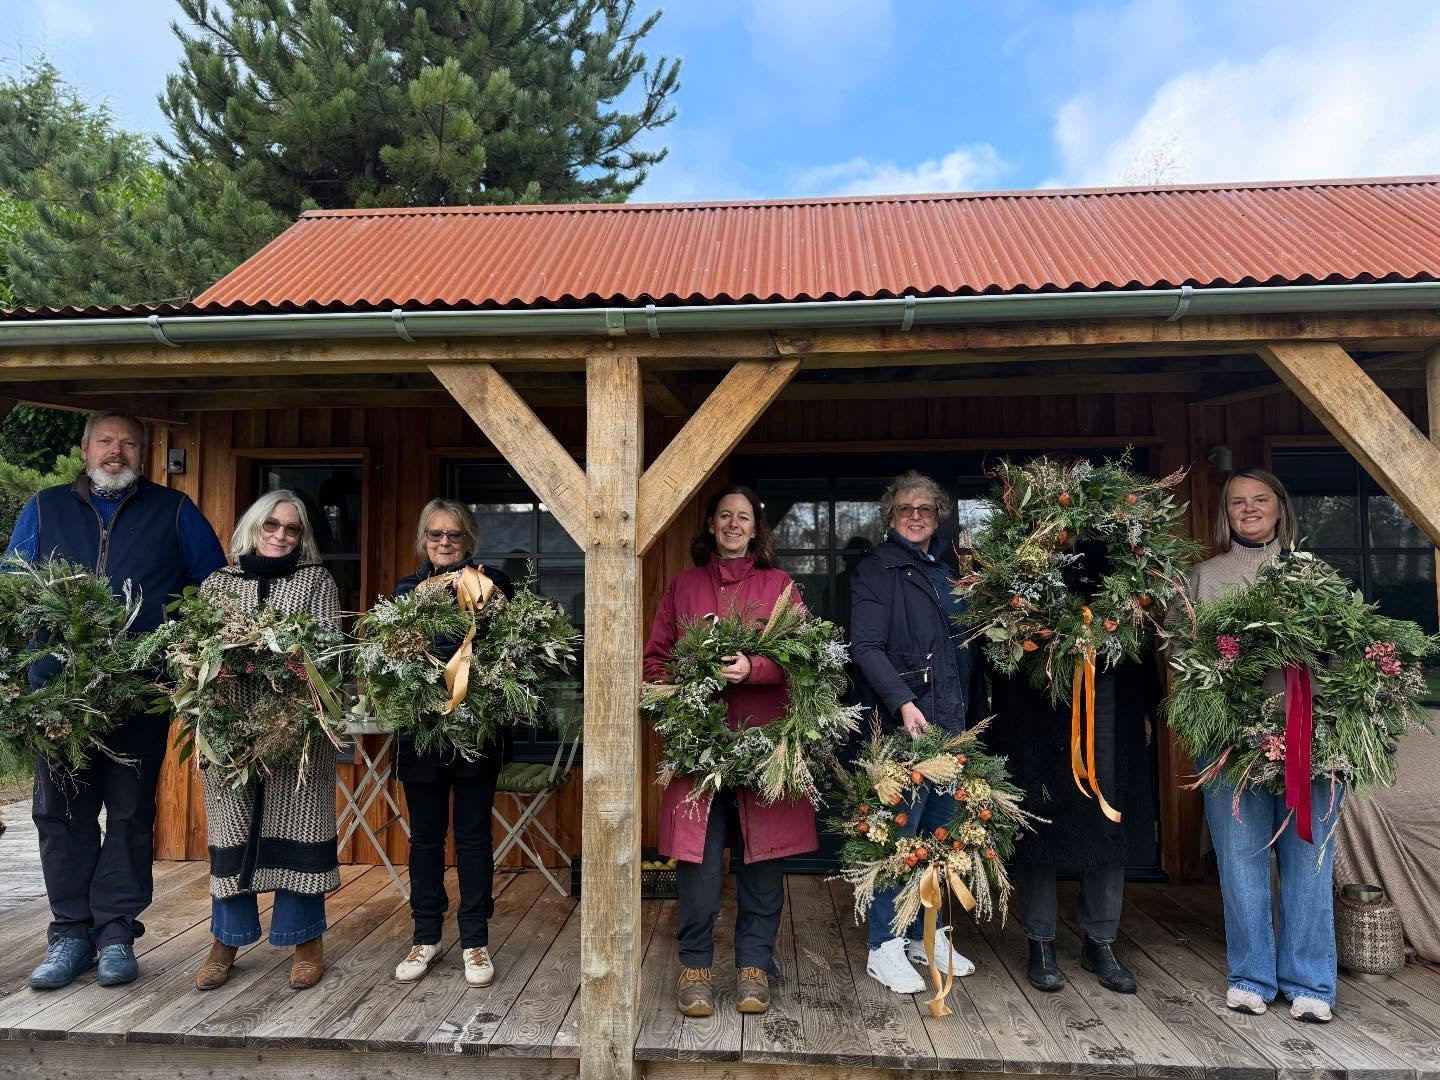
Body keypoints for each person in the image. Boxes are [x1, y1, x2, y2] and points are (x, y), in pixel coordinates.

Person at [5, 411, 226, 990]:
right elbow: (13, 579)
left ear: (143, 453)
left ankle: (116, 935)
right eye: (106, 441)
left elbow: (217, 589)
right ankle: (70, 934)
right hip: (58, 693)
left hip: (140, 692)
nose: (116, 451)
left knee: (129, 814)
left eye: (128, 443)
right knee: (60, 815)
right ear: (85, 449)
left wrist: (184, 656)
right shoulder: (46, 508)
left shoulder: (176, 512)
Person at [644, 486, 813, 1018]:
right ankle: (695, 968)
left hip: (764, 744)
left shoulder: (779, 587)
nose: (734, 524)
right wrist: (691, 680)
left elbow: (806, 662)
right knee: (698, 864)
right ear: (712, 526)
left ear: (755, 530)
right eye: (725, 516)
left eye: (744, 517)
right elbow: (656, 664)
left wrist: (754, 669)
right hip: (700, 748)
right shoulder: (685, 588)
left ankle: (753, 968)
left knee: (763, 863)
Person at [1184, 467, 1340, 1023]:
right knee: (1241, 859)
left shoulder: (1315, 575)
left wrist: (1335, 723)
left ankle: (1311, 983)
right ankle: (1251, 975)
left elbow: (1344, 657)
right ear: (1226, 515)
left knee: (1309, 859)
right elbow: (1185, 662)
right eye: (1236, 503)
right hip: (1232, 745)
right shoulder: (1205, 578)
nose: (1248, 509)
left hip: (1309, 740)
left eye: (1260, 500)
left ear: (1280, 507)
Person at [984, 536, 1154, 995]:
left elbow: (1140, 645)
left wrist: (1143, 707)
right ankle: (1040, 941)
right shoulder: (1021, 568)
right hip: (1036, 714)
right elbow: (1000, 655)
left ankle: (1100, 941)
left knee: (1108, 817)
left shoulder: (1122, 563)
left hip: (1108, 708)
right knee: (1039, 823)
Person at [193, 491, 342, 992]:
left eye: (292, 529)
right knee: (231, 829)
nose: (280, 535)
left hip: (295, 730)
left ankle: (305, 938)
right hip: (230, 729)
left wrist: (282, 666)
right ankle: (226, 939)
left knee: (299, 826)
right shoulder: (218, 584)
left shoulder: (315, 581)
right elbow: (201, 648)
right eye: (271, 525)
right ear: (252, 528)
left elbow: (324, 652)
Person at [849, 470, 980, 994]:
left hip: (950, 720)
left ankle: (927, 933)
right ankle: (884, 944)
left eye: (926, 508)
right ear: (890, 516)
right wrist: (902, 703)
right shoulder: (877, 571)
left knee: (939, 834)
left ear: (938, 514)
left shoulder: (946, 571)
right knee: (898, 835)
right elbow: (866, 647)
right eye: (907, 508)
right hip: (909, 723)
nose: (917, 515)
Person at [391, 499, 513, 989]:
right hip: (421, 729)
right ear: (423, 540)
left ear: (469, 540)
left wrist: (487, 594)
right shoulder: (406, 589)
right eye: (435, 535)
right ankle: (425, 934)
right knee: (424, 838)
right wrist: (430, 591)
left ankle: (475, 939)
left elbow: (509, 636)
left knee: (473, 836)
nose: (444, 543)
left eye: (454, 536)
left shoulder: (489, 584)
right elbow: (393, 639)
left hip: (475, 726)